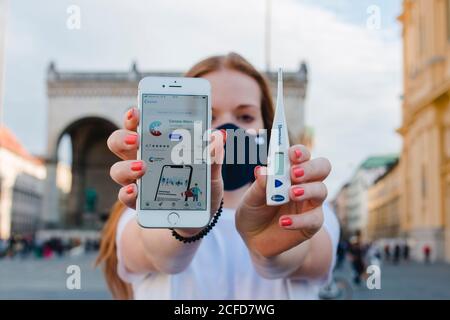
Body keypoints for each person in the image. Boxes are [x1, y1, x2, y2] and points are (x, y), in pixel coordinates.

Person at [96, 53, 339, 300]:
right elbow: (156, 253)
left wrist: (270, 251)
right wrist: (186, 224)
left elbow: (305, 256)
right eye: (207, 116)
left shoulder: (304, 206)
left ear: (267, 128)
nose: (225, 131)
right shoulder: (144, 208)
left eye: (245, 117)